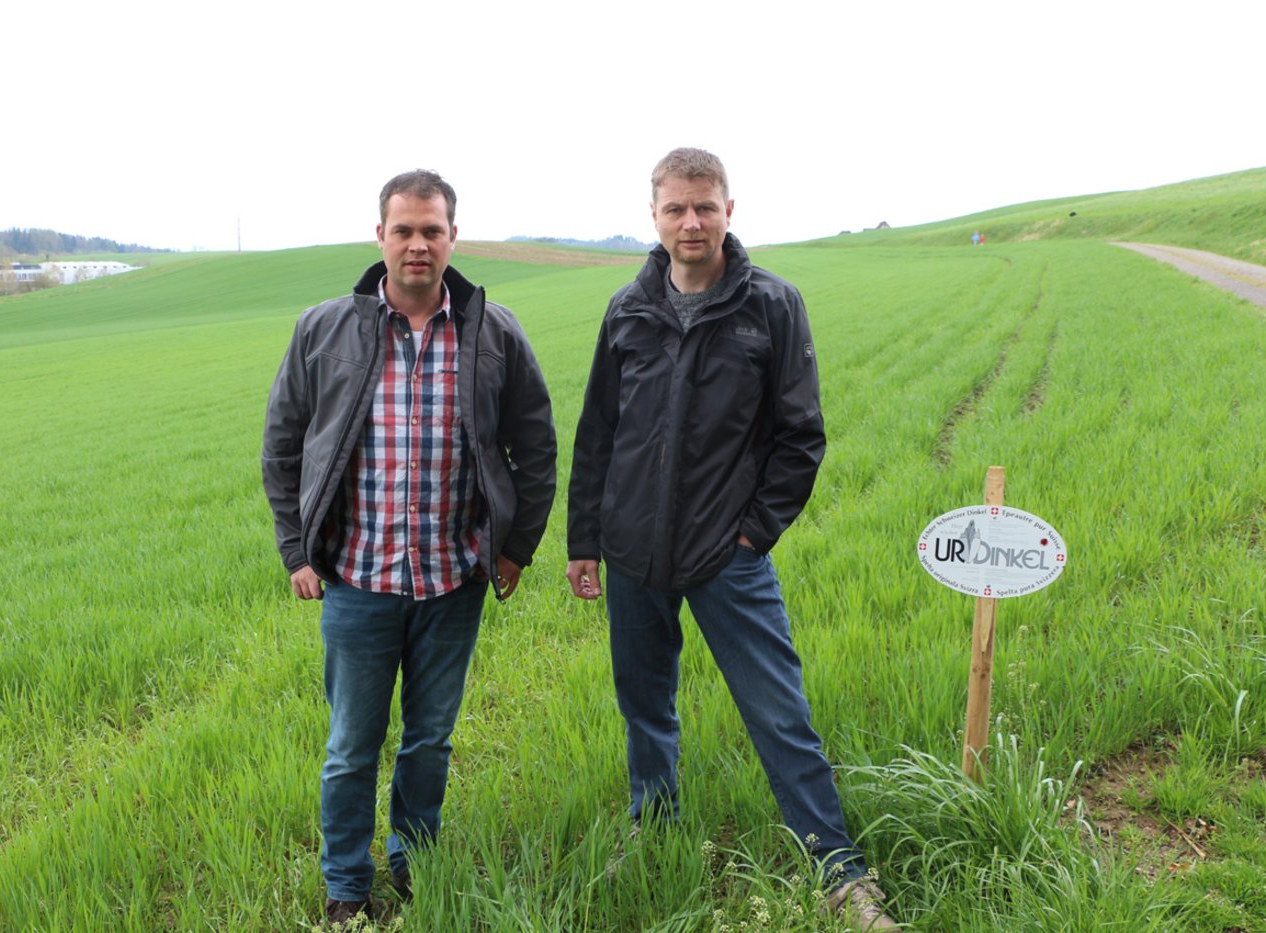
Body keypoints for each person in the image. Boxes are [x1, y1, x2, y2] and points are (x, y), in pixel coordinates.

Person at [566, 148, 898, 930]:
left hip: (727, 558)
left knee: (777, 710)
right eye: (677, 208)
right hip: (633, 553)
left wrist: (752, 536)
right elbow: (598, 434)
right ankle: (653, 828)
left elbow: (800, 438)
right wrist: (586, 537)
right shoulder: (627, 310)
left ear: (729, 209)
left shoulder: (770, 306)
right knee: (645, 704)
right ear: (653, 214)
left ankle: (840, 870)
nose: (691, 222)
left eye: (704, 207)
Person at [262, 169, 556, 925]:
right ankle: (346, 889)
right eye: (404, 229)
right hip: (358, 580)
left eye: (432, 229)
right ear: (381, 236)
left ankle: (414, 865)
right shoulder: (324, 328)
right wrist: (297, 551)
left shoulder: (494, 331)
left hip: (453, 580)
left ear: (453, 237)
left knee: (429, 741)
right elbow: (283, 445)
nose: (418, 243)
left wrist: (516, 546)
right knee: (352, 746)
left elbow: (537, 445)